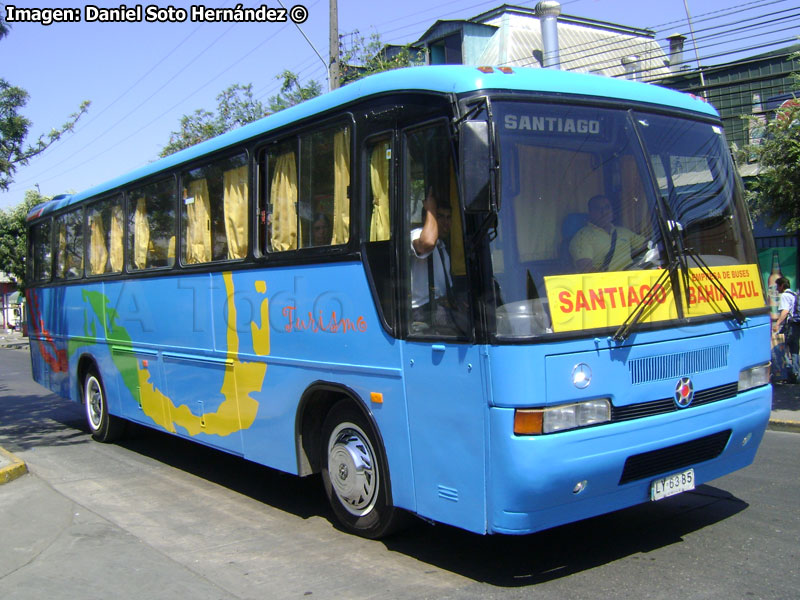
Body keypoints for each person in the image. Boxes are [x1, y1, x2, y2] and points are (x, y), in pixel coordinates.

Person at [410, 188, 458, 328]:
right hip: (422, 311)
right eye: (440, 217)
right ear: (427, 219)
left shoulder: (442, 247)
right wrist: (430, 209)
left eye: (449, 218)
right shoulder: (417, 234)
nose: (445, 223)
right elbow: (427, 243)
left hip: (438, 306)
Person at [569, 194, 648, 273]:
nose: (604, 212)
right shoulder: (583, 237)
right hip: (607, 283)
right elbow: (586, 269)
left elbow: (648, 246)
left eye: (607, 207)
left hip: (635, 279)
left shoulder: (623, 232)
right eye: (598, 208)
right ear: (590, 213)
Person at [775, 276, 799, 383]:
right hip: (797, 325)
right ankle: (797, 374)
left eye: (777, 286)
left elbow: (785, 311)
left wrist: (777, 324)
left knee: (782, 348)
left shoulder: (785, 295)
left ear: (782, 286)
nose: (776, 289)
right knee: (794, 349)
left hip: (789, 326)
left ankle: (789, 372)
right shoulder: (794, 294)